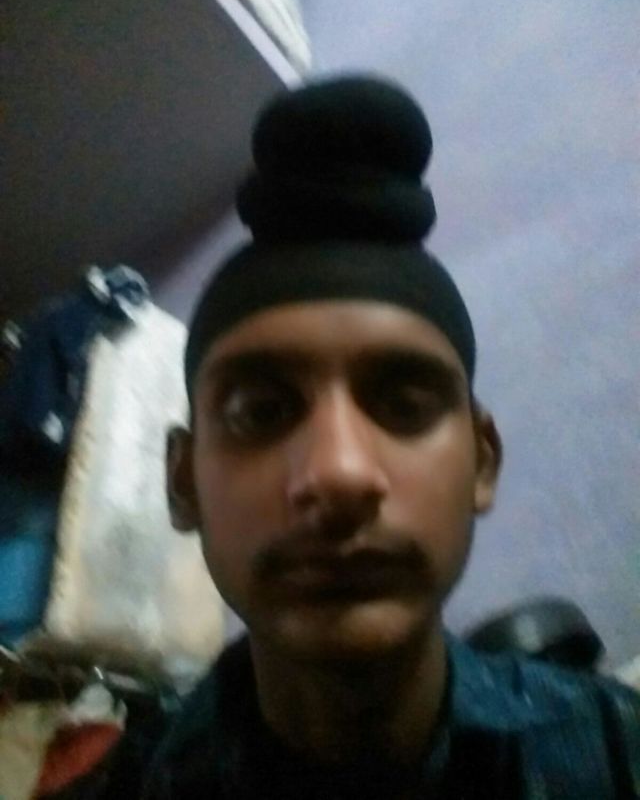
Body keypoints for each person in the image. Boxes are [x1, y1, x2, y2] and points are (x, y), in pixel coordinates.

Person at [142, 76, 639, 798]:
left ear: (483, 460)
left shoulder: (618, 753)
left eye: (404, 404)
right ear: (183, 481)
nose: (340, 472)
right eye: (260, 411)